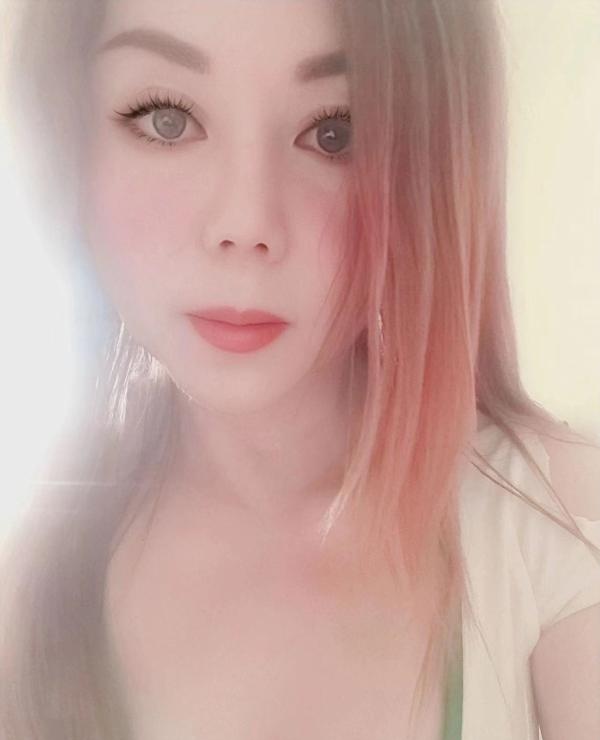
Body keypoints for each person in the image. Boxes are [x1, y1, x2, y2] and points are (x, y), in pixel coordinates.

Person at [1, 1, 599, 738]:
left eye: (335, 133)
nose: (245, 223)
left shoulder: (555, 524)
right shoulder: (25, 591)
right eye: (167, 120)